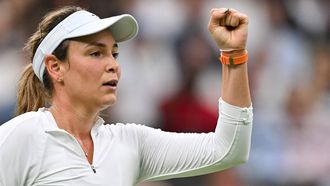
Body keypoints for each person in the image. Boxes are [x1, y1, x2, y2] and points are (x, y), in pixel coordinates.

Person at [0, 6, 252, 186]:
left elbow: (229, 148)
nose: (113, 65)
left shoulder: (130, 142)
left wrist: (234, 54)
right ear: (56, 67)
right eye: (96, 53)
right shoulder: (21, 136)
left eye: (114, 54)